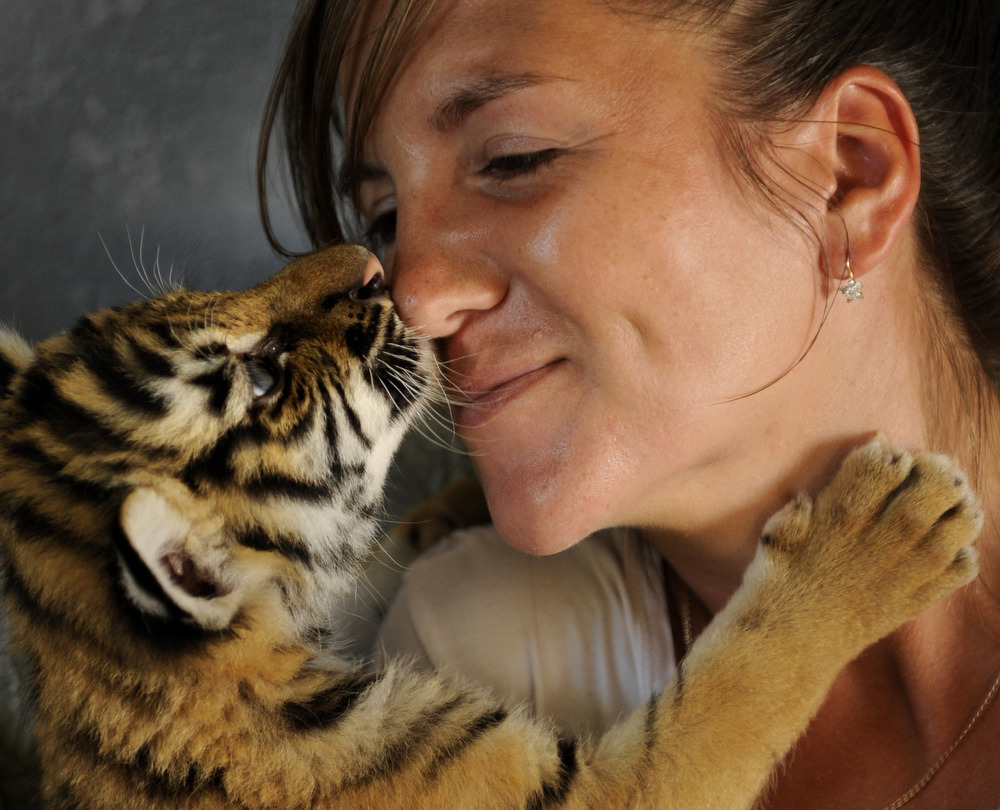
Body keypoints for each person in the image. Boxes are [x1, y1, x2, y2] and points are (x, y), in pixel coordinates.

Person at [257, 1, 1000, 807]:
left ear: (852, 173)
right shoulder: (483, 675)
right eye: (388, 219)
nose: (414, 298)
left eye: (513, 159)